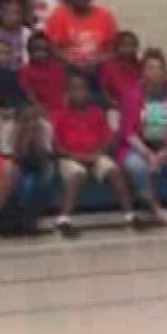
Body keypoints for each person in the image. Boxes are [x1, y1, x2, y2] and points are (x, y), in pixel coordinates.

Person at [52, 68, 139, 237]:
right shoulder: (59, 115)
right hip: (70, 157)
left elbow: (108, 140)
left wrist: (97, 154)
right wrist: (77, 156)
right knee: (76, 174)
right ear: (68, 92)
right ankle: (64, 219)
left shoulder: (97, 113)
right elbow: (56, 146)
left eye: (83, 89)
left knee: (114, 171)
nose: (79, 94)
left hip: (96, 154)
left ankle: (130, 216)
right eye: (74, 90)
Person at [119, 49, 167, 227]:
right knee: (135, 165)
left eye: (158, 68)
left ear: (164, 71)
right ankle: (157, 210)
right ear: (142, 72)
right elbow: (128, 132)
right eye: (150, 68)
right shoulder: (132, 95)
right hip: (140, 145)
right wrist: (148, 155)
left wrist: (165, 152)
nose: (154, 72)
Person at [0, 36, 34, 239]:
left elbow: (23, 107)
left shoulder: (13, 78)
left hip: (6, 129)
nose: (2, 57)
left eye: (6, 53)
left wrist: (12, 115)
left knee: (10, 168)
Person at [45, 0, 120, 68]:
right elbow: (51, 47)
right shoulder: (58, 15)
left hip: (98, 68)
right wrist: (72, 63)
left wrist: (96, 62)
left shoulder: (105, 16)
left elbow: (113, 49)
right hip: (67, 67)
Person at [20, 32, 67, 116]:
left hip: (62, 111)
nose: (41, 53)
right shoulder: (26, 71)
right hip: (41, 113)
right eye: (37, 49)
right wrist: (42, 111)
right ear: (30, 51)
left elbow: (65, 93)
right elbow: (30, 96)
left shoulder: (59, 68)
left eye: (45, 49)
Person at [99, 31, 143, 112]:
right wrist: (119, 106)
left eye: (132, 45)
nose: (128, 48)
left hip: (138, 107)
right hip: (115, 108)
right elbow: (104, 92)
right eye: (124, 45)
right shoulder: (108, 66)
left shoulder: (140, 66)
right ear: (117, 46)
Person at [0, 0, 31, 67]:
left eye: (16, 13)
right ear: (1, 14)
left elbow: (28, 59)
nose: (13, 17)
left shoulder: (27, 34)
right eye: (9, 13)